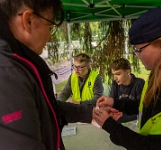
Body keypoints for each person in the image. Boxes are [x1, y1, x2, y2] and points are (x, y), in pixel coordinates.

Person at [93, 7, 161, 150]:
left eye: (139, 50)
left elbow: (152, 147)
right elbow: (150, 106)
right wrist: (116, 103)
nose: (137, 56)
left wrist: (110, 125)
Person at [0, 0, 93, 150]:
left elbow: (45, 107)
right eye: (50, 27)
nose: (50, 38)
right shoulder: (7, 72)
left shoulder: (18, 62)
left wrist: (89, 112)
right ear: (28, 21)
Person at [109, 58, 144, 123]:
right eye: (113, 74)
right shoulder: (115, 83)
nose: (115, 78)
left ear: (128, 72)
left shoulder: (139, 84)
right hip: (120, 120)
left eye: (118, 74)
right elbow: (112, 104)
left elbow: (141, 109)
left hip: (134, 122)